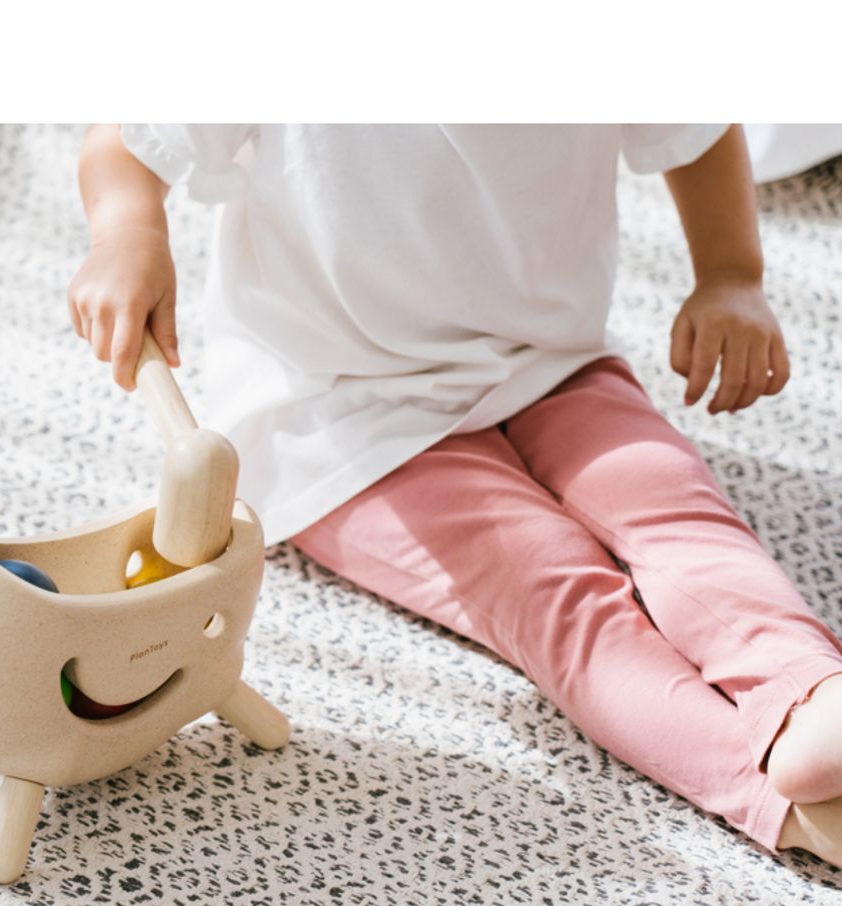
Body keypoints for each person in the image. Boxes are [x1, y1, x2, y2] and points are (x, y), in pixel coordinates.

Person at [68, 123, 842, 868]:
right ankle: (782, 803)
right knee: (549, 586)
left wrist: (731, 276)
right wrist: (128, 236)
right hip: (344, 414)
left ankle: (808, 688)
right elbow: (127, 141)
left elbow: (698, 127)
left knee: (673, 508)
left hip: (547, 359)